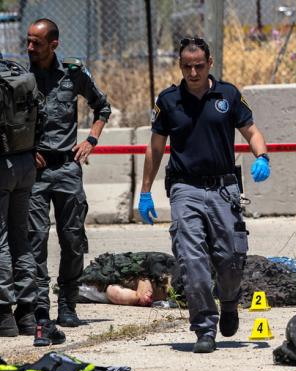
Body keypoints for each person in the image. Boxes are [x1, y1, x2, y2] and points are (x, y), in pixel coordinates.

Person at [138, 37, 271, 353]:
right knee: (191, 258)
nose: (193, 73)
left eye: (199, 66)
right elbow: (155, 148)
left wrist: (262, 156)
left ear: (210, 63)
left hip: (224, 188)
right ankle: (204, 328)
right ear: (180, 66)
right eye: (187, 67)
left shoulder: (227, 95)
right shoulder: (169, 100)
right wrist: (144, 192)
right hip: (185, 188)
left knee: (231, 259)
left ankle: (229, 301)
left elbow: (251, 131)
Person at [26, 18, 112, 329]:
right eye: (28, 41)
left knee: (73, 240)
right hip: (34, 172)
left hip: (66, 169)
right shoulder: (21, 78)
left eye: (36, 43)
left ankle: (67, 303)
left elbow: (102, 107)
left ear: (54, 45)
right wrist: (24, 150)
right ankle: (39, 308)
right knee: (35, 240)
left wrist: (91, 140)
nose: (29, 48)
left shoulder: (73, 74)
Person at [0, 59, 43, 338]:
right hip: (26, 162)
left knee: (1, 239)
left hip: (3, 165)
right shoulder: (17, 73)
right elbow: (42, 114)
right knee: (20, 237)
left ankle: (3, 313)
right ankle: (27, 312)